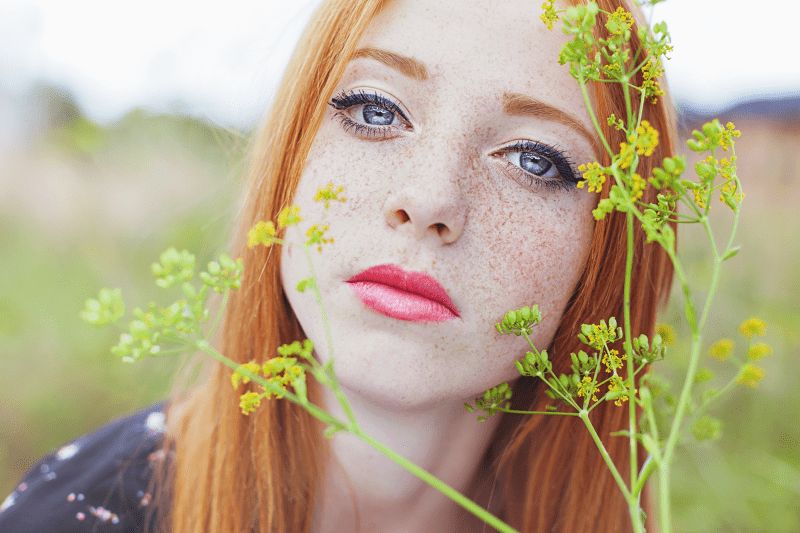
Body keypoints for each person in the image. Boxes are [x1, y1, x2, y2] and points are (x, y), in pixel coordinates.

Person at [0, 0, 676, 531]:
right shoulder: (76, 518)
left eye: (535, 158)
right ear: (291, 151)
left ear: (613, 247)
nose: (429, 198)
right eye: (375, 110)